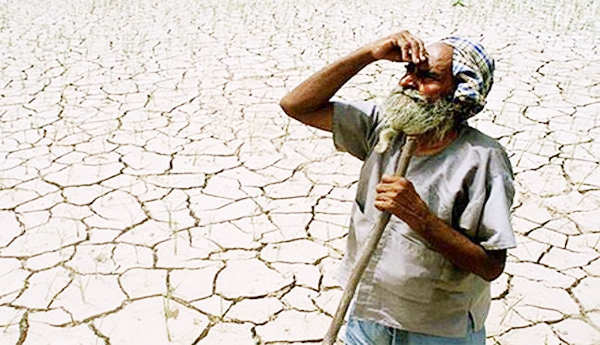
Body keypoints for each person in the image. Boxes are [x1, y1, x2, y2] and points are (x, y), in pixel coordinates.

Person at [279, 31, 516, 345]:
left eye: (427, 76)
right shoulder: (384, 127)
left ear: (461, 91)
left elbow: (490, 266)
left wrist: (420, 217)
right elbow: (296, 105)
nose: (407, 83)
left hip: (436, 329)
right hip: (366, 312)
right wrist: (369, 53)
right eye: (408, 71)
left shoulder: (483, 160)